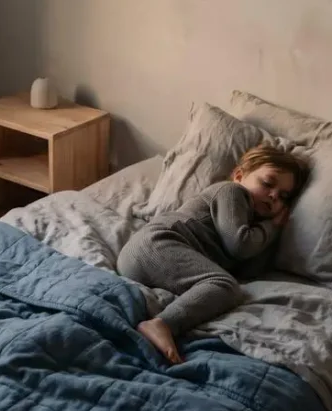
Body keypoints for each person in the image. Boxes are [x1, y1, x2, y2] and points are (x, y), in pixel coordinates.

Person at [117, 144, 308, 364]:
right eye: (267, 183)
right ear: (239, 176)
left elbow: (250, 270)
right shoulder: (231, 192)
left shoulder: (253, 226)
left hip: (145, 262)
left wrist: (270, 232)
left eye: (284, 196)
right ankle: (162, 324)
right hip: (156, 244)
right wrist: (272, 227)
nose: (274, 195)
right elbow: (240, 246)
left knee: (225, 286)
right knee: (225, 286)